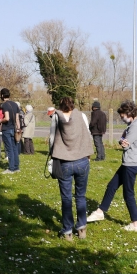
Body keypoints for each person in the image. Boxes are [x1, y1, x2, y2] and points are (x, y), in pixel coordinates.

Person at [86, 100, 137, 232]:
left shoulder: (136, 126)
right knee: (112, 186)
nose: (121, 117)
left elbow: (125, 143)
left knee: (128, 194)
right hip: (128, 163)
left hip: (131, 164)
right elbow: (123, 138)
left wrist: (122, 141)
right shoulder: (134, 124)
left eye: (122, 115)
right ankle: (100, 211)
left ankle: (135, 224)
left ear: (129, 113)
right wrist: (122, 139)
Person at [49, 97, 93, 241]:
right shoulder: (82, 116)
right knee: (80, 196)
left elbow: (51, 138)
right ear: (73, 105)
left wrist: (52, 154)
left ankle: (67, 231)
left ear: (60, 106)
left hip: (64, 161)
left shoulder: (56, 117)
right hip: (82, 160)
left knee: (66, 198)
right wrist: (88, 154)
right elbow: (88, 135)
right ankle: (81, 229)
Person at [0, 88, 20, 174]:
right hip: (14, 129)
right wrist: (18, 129)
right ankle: (16, 167)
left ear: (2, 95)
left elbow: (7, 118)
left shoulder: (5, 105)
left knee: (9, 149)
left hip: (7, 129)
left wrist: (0, 121)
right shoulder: (15, 104)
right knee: (14, 148)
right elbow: (17, 119)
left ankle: (11, 168)